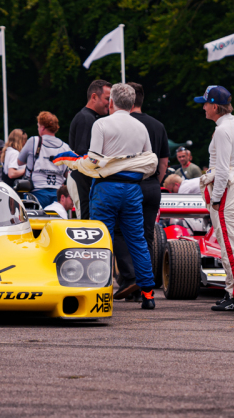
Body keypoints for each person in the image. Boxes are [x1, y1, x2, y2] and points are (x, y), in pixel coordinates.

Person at [88, 83, 156, 310]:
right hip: (132, 188)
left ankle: (99, 290)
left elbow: (94, 160)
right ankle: (148, 294)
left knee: (100, 241)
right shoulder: (141, 127)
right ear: (132, 103)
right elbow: (149, 160)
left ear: (111, 102)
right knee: (137, 240)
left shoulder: (101, 124)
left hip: (106, 187)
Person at [195, 85, 234, 312]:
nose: (203, 107)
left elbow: (220, 169)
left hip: (228, 187)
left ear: (215, 106)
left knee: (229, 244)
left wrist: (216, 198)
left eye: (205, 103)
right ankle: (232, 292)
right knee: (231, 242)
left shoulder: (222, 130)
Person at [112, 82, 171, 299]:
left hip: (128, 184)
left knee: (119, 231)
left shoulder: (120, 124)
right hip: (151, 185)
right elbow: (163, 161)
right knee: (146, 236)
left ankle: (130, 278)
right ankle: (144, 286)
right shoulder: (157, 125)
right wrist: (155, 181)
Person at [67, 79, 111, 218]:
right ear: (94, 97)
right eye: (107, 98)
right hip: (81, 178)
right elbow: (82, 152)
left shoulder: (90, 117)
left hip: (83, 178)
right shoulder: (86, 118)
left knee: (88, 219)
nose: (110, 103)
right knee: (86, 221)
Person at [17, 112, 68, 208]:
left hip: (36, 193)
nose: (38, 129)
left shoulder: (33, 141)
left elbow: (19, 162)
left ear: (43, 127)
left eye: (38, 126)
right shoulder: (65, 147)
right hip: (57, 194)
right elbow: (67, 174)